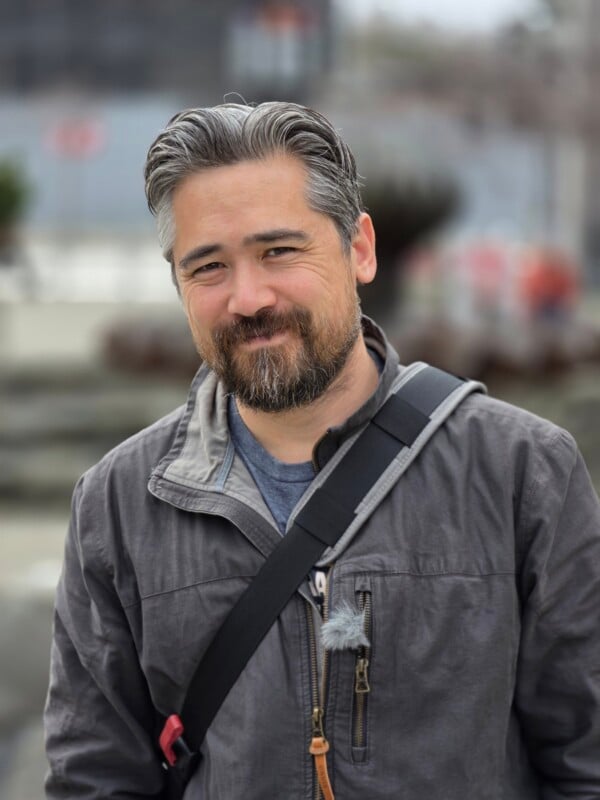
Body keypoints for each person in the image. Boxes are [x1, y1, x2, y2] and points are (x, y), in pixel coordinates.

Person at [44, 101, 600, 799]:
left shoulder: (524, 472)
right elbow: (94, 779)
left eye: (279, 251)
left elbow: (586, 762)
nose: (248, 297)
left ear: (360, 248)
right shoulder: (118, 505)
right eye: (209, 266)